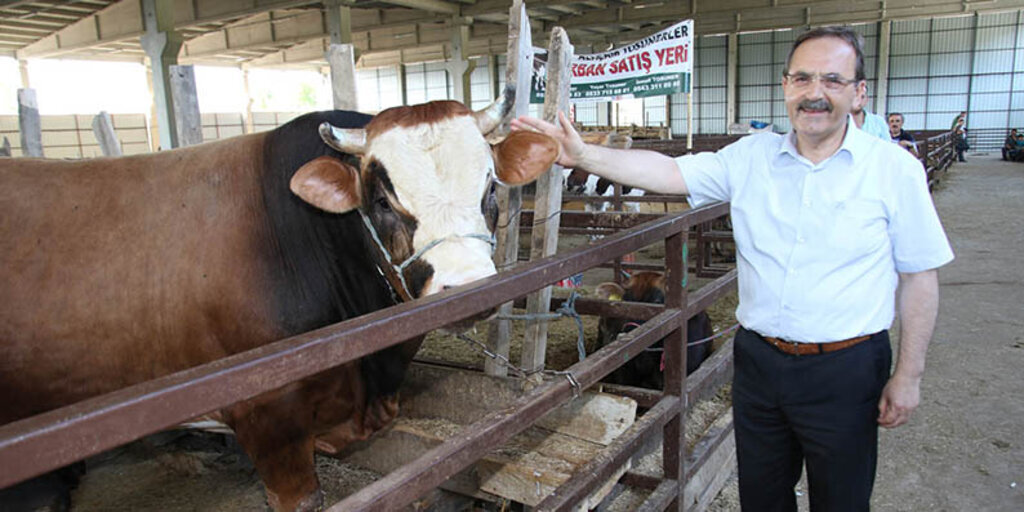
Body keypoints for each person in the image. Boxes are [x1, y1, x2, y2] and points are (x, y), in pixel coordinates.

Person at [513, 26, 953, 512]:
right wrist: (584, 155)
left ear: (859, 93)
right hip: (760, 363)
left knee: (842, 502)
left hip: (846, 368)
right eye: (802, 78)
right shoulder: (750, 158)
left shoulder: (893, 170)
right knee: (761, 499)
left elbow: (920, 277)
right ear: (785, 86)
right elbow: (669, 172)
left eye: (833, 79)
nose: (815, 93)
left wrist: (909, 374)